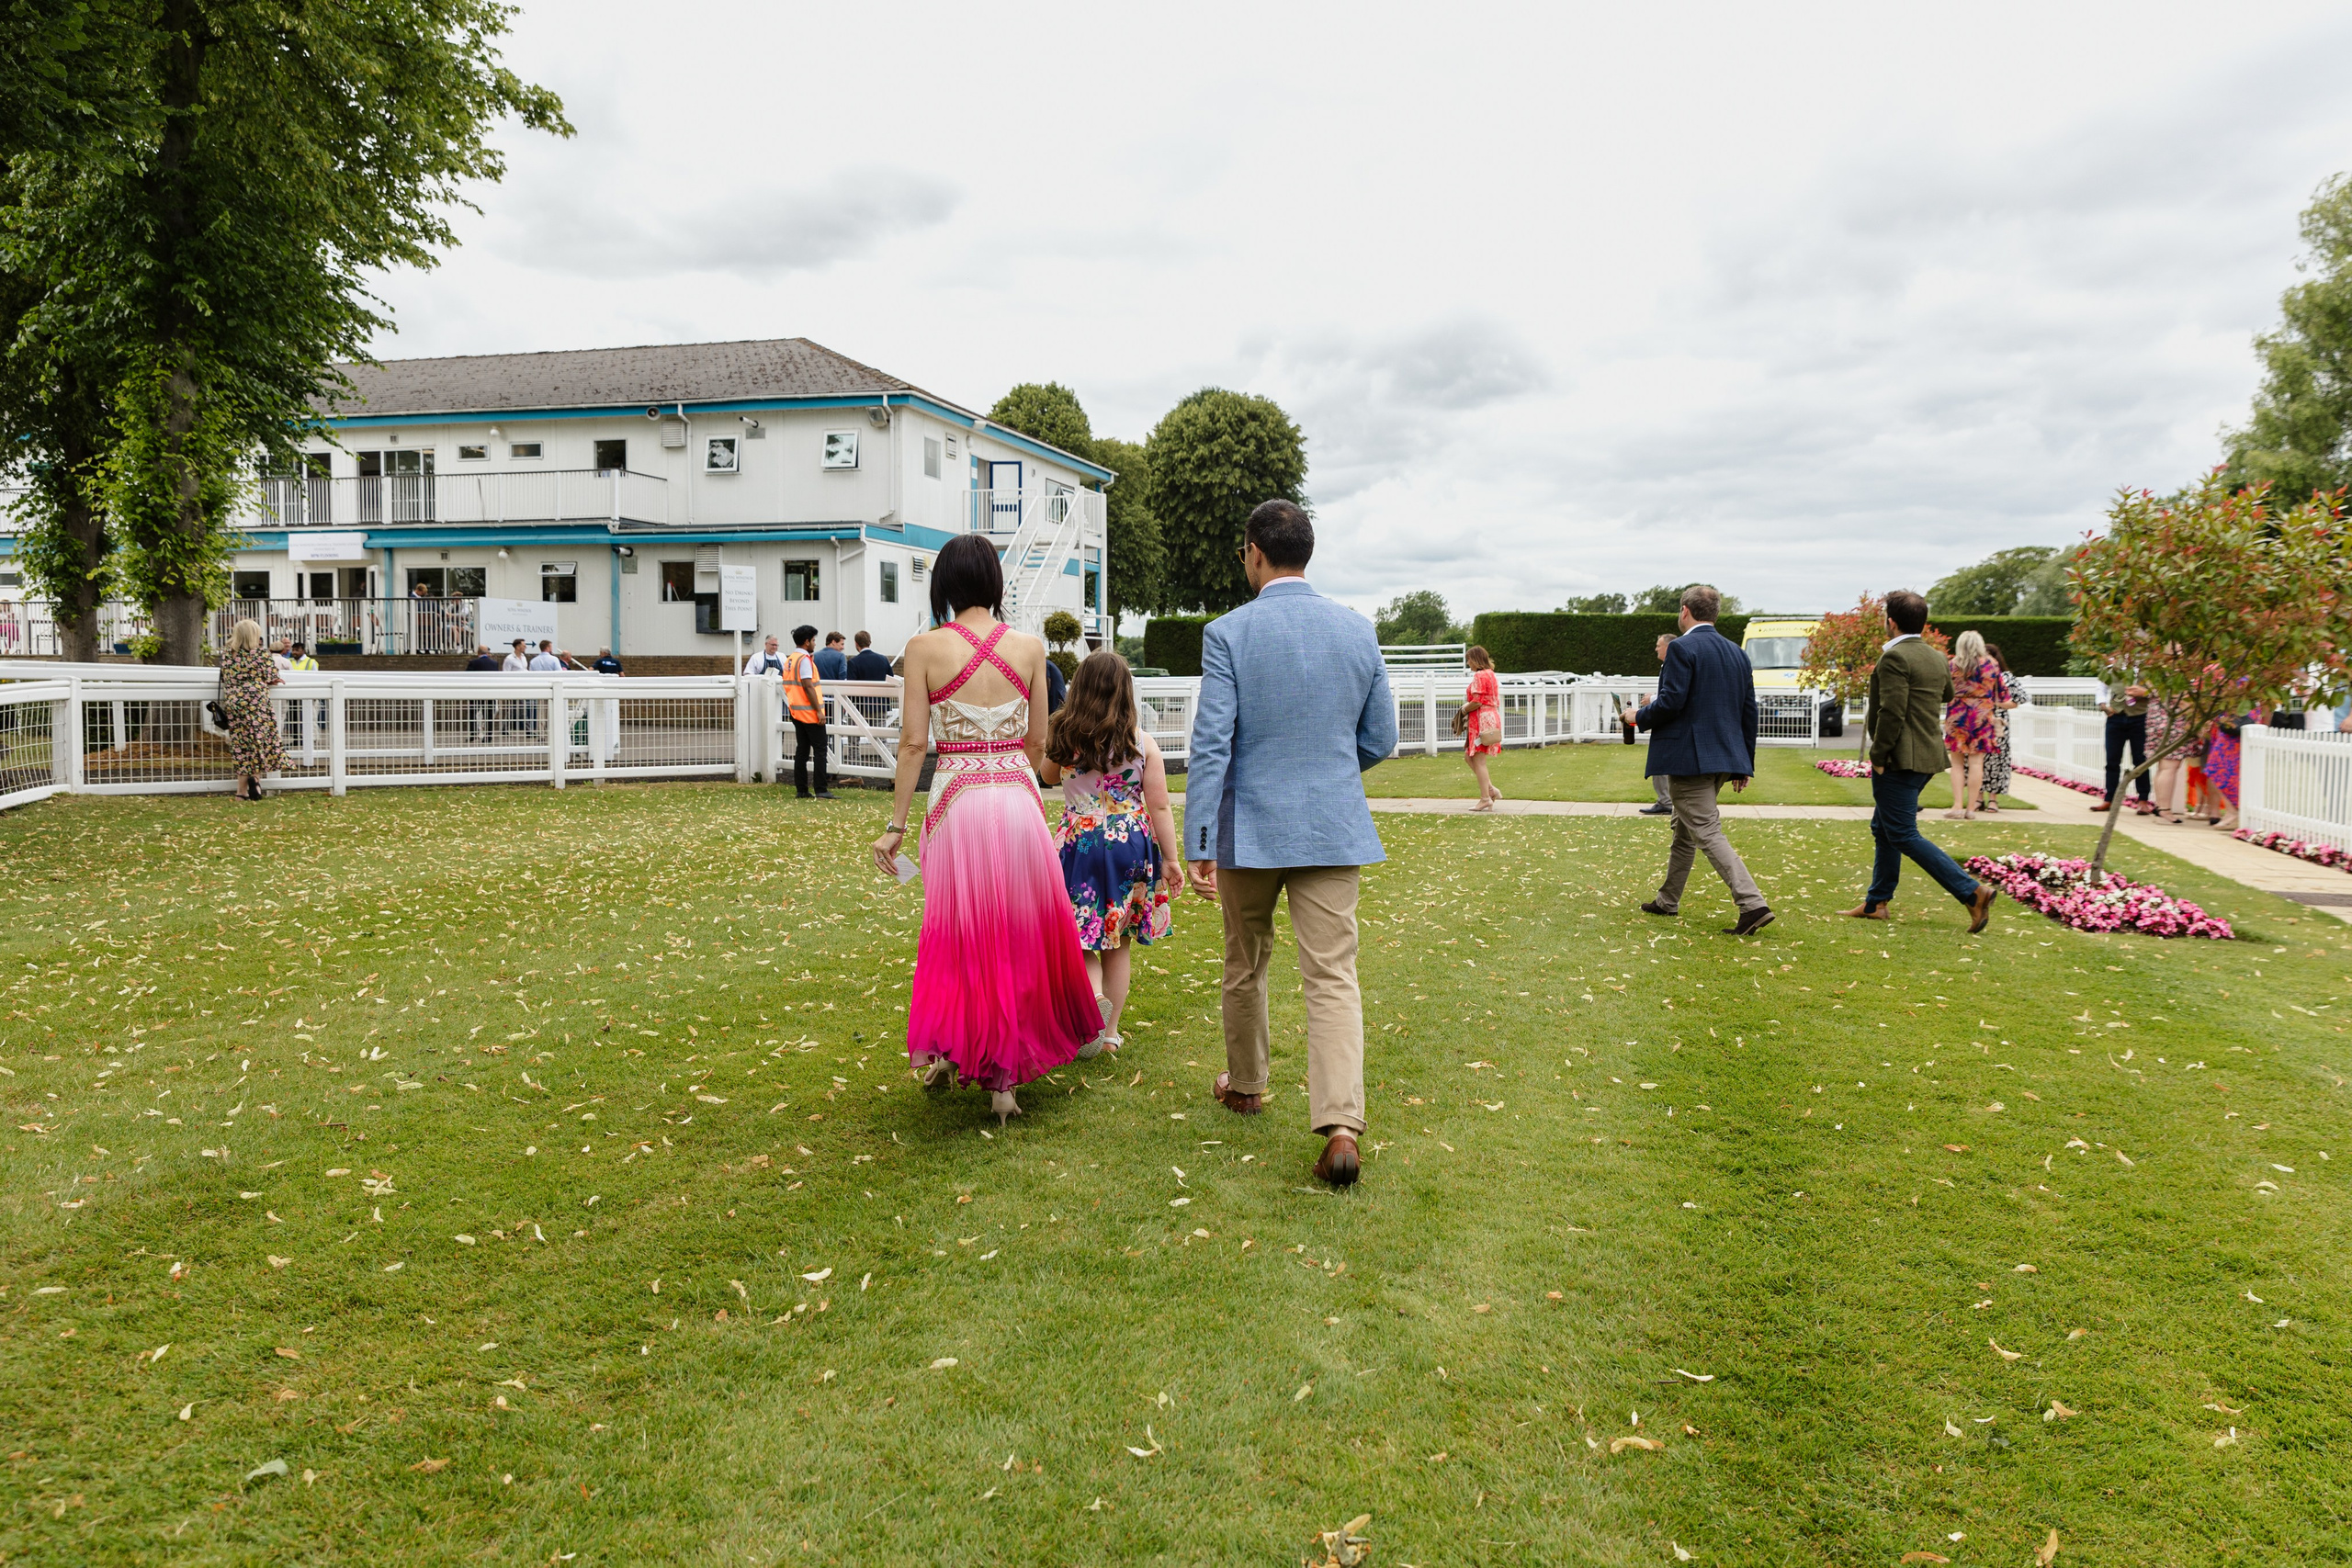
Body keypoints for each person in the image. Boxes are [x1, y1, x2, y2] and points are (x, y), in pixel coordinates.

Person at [1185, 499, 1397, 1188]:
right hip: (1333, 826)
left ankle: (1247, 1084)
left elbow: (1212, 742)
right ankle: (1341, 1124)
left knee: (1245, 961)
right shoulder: (1357, 630)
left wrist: (1200, 839)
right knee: (1333, 975)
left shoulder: (1228, 633)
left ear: (1253, 551)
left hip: (1250, 828)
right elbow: (1381, 738)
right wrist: (1332, 773)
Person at [870, 534, 1102, 1125]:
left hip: (958, 802)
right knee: (1018, 932)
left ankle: (954, 1054)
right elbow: (1038, 741)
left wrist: (896, 826)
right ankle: (1003, 1086)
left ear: (944, 583)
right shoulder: (1028, 647)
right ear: (995, 582)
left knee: (959, 931)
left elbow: (914, 743)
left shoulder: (925, 647)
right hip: (1017, 800)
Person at [1041, 650, 1184, 1059]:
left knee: (1084, 937)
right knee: (1117, 940)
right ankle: (1110, 1033)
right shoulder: (1142, 742)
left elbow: (1047, 776)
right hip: (1129, 842)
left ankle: (1092, 997)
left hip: (1080, 841)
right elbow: (1159, 806)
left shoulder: (1065, 737)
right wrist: (1171, 859)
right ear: (1126, 691)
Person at [1843, 591, 1997, 931]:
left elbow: (1892, 711)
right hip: (1927, 755)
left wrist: (1879, 755)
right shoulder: (1936, 657)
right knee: (1884, 828)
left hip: (1900, 758)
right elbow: (1945, 694)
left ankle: (1972, 892)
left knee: (1902, 833)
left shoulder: (1895, 657)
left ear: (1891, 622)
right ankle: (1876, 903)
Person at [1629, 586, 1772, 934]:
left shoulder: (1681, 647)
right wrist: (1744, 763)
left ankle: (1752, 904)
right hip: (1724, 757)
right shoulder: (1737, 653)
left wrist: (1639, 715)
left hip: (1690, 758)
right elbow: (1748, 712)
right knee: (1684, 828)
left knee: (1705, 829)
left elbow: (1672, 701)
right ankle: (1668, 900)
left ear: (1684, 611)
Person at [217, 618, 286, 802]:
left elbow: (226, 677)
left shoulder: (226, 654)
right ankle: (255, 779)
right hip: (257, 702)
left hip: (235, 702)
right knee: (258, 742)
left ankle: (241, 791)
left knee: (241, 745)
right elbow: (271, 677)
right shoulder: (261, 654)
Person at [1941, 630, 2001, 821]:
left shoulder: (1952, 665)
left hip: (1957, 714)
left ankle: (1957, 806)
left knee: (1957, 763)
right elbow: (2002, 693)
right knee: (1977, 762)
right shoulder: (1991, 664)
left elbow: (1944, 691)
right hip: (1982, 715)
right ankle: (1971, 809)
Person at [786, 624, 835, 799]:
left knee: (802, 751)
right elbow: (808, 686)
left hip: (796, 712)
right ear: (807, 642)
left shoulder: (790, 659)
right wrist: (819, 712)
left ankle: (802, 789)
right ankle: (821, 789)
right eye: (813, 640)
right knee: (821, 750)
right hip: (810, 713)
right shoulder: (804, 660)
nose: (815, 643)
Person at [1630, 632, 1676, 815]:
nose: (1656, 648)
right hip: (1664, 721)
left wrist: (1653, 698)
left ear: (1668, 647)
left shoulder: (1673, 663)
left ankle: (1666, 801)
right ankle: (1664, 800)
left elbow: (1674, 696)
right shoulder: (1668, 664)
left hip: (1668, 723)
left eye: (1659, 645)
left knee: (1662, 762)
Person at [2098, 676, 2154, 813]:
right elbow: (2101, 687)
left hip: (2140, 717)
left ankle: (2143, 800)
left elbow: (2160, 691)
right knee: (2112, 760)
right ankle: (2109, 799)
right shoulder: (2113, 668)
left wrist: (2145, 692)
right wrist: (2103, 705)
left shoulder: (2149, 667)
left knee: (2140, 761)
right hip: (2115, 718)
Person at [1462, 645, 1504, 810]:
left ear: (1476, 659)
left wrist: (1464, 709)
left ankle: (1485, 798)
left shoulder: (1480, 675)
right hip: (1491, 717)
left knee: (1478, 760)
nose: (1468, 664)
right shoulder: (1491, 674)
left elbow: (1478, 701)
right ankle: (1491, 790)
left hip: (1482, 720)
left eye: (1469, 660)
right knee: (1469, 757)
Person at [1976, 642, 2016, 812]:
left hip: (1999, 723)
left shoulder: (2006, 677)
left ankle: (1993, 799)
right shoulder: (1975, 675)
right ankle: (1977, 797)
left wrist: (1996, 703)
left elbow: (2015, 701)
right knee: (1977, 761)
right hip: (1978, 722)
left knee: (1997, 762)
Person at [465, 643, 501, 745]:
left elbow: (467, 676)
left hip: (476, 692)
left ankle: (473, 733)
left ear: (478, 653)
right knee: (489, 714)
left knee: (473, 713)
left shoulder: (473, 663)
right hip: (490, 691)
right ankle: (488, 736)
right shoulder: (494, 663)